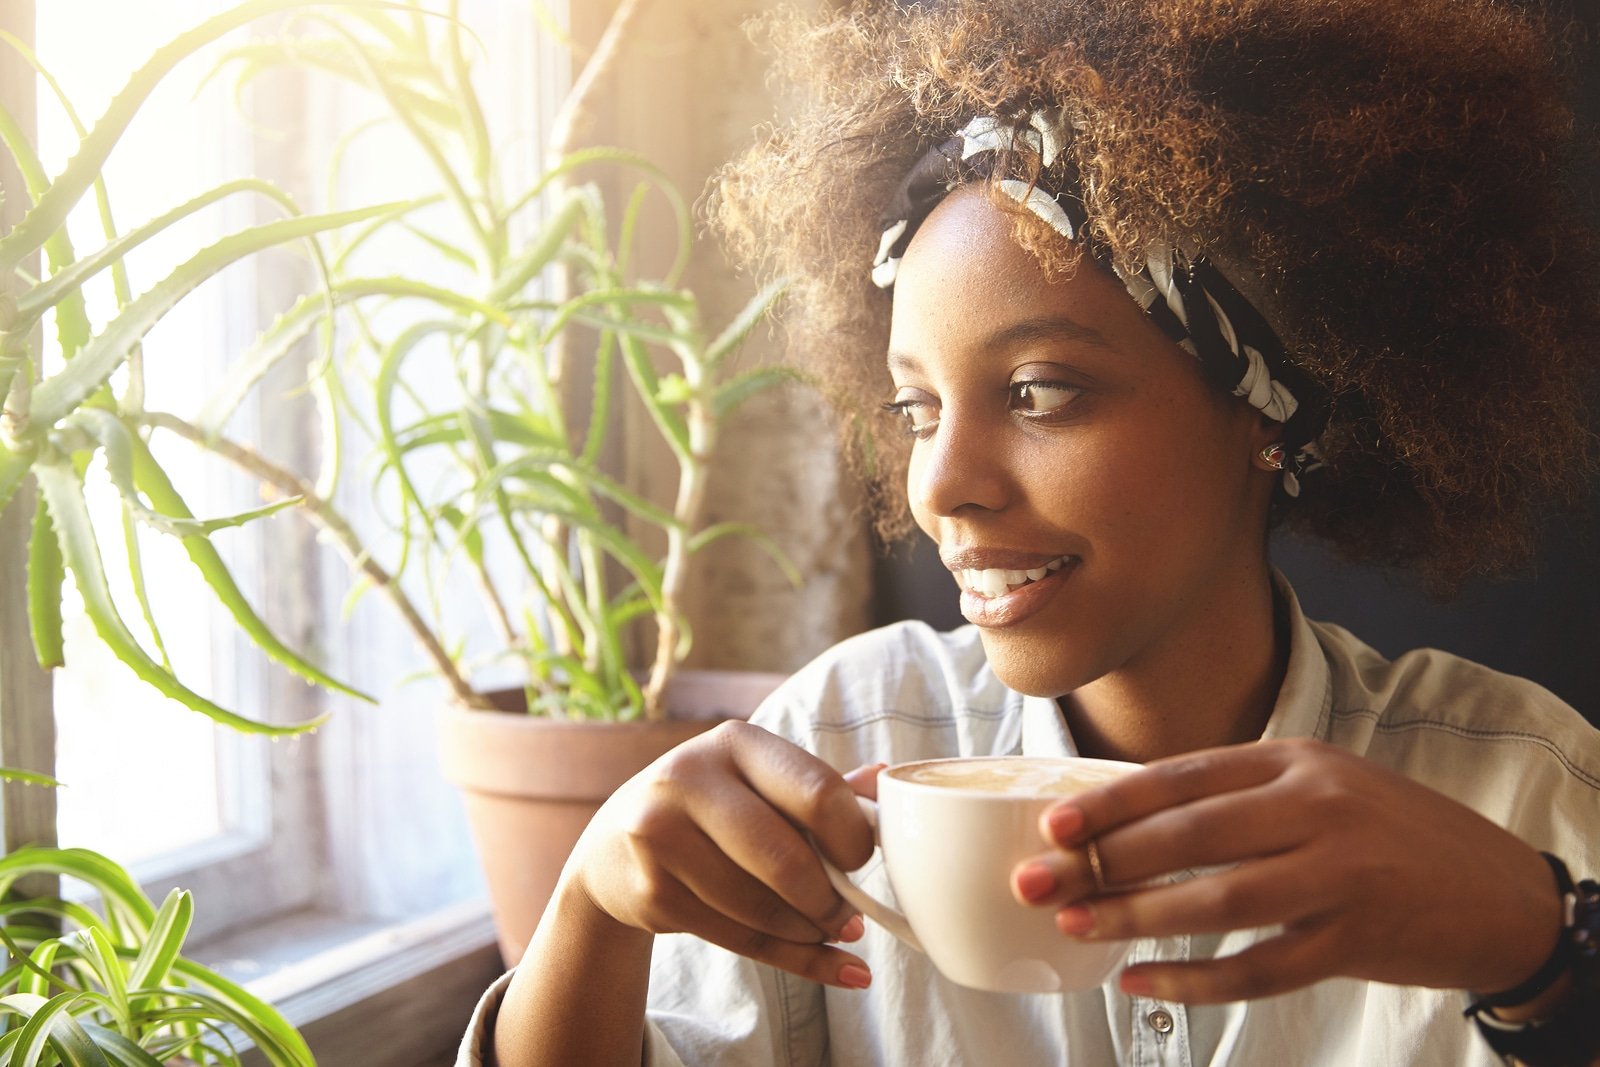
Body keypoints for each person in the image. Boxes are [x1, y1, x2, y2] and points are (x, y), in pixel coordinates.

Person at [461, 0, 1600, 1063]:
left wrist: (1543, 954)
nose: (940, 485)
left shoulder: (1523, 796)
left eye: (1041, 390)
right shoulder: (837, 741)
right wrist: (592, 907)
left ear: (1267, 408)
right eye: (915, 409)